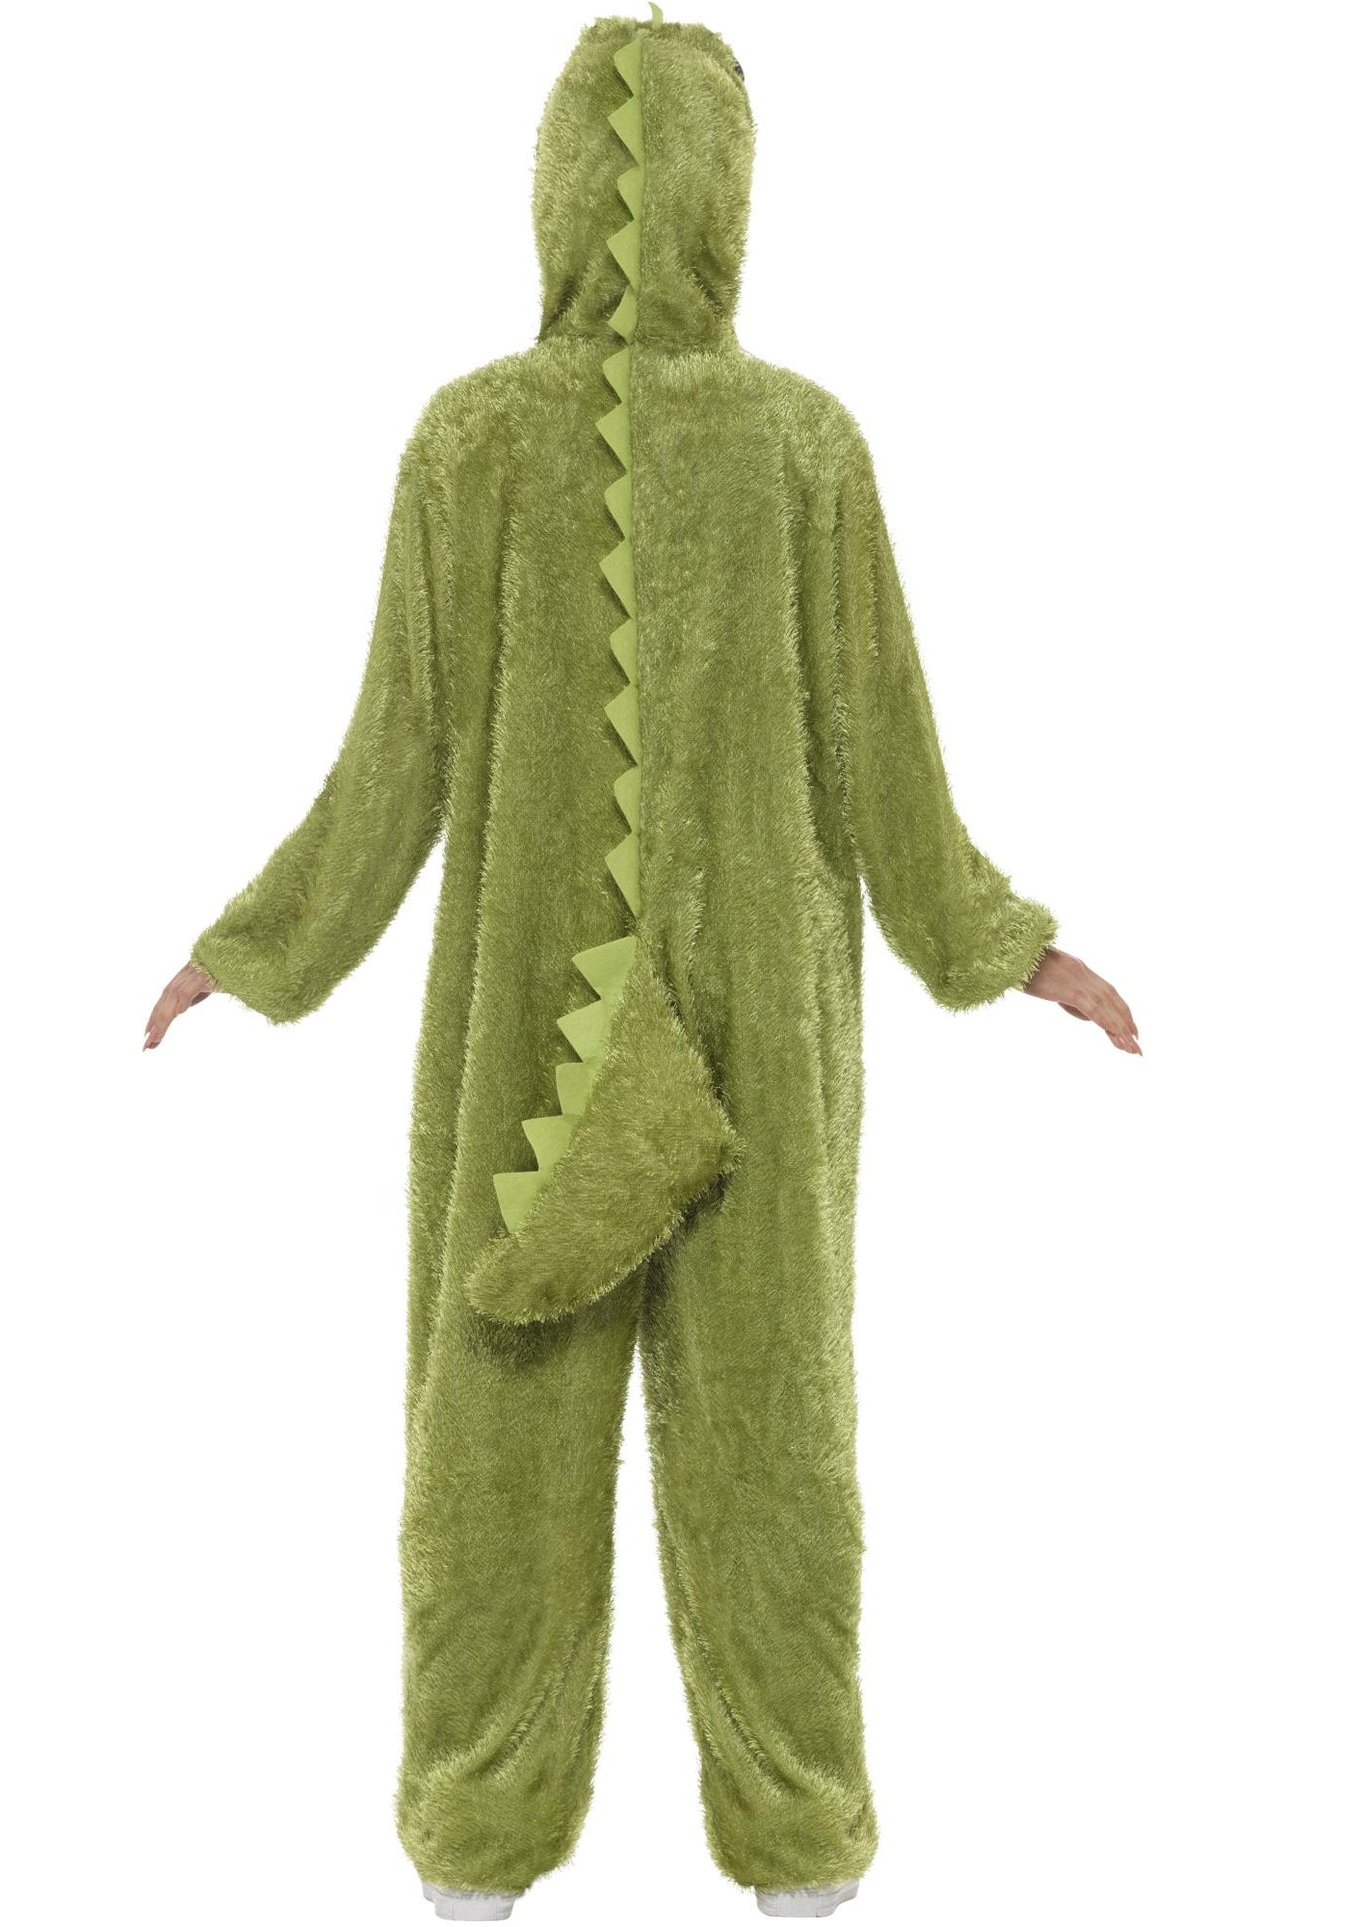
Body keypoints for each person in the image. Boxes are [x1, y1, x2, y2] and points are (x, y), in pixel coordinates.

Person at [145, 11, 1138, 1921]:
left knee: (583, 1457)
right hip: (723, 1042)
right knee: (732, 1453)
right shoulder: (721, 443)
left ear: (549, 185)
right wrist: (248, 951)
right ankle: (761, 1864)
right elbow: (852, 755)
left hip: (571, 1044)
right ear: (726, 195)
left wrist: (1003, 943)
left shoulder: (568, 441)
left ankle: (525, 1863)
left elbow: (408, 763)